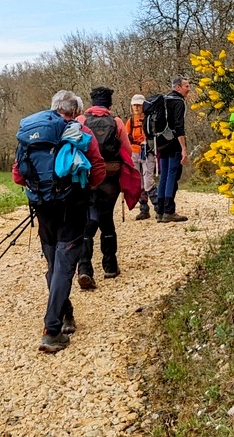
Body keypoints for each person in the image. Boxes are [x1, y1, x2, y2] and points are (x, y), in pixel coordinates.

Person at [12, 90, 106, 354]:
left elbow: (18, 175)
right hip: (72, 207)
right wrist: (86, 188)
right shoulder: (81, 134)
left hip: (42, 208)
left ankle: (66, 315)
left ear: (53, 109)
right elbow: (98, 169)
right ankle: (52, 331)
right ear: (76, 112)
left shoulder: (31, 134)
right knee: (64, 267)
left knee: (54, 265)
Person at [76, 86, 134, 286]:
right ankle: (110, 266)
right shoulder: (116, 122)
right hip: (110, 177)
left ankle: (84, 268)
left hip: (88, 178)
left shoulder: (81, 121)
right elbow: (126, 150)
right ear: (109, 103)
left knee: (88, 220)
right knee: (106, 217)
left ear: (92, 103)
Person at [154, 77, 191, 222]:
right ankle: (169, 211)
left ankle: (160, 210)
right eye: (186, 86)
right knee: (172, 174)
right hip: (174, 142)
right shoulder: (178, 102)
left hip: (161, 142)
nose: (189, 89)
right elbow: (179, 126)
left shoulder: (164, 100)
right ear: (177, 87)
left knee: (164, 175)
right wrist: (184, 148)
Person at [125, 94, 158, 220]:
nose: (136, 107)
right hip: (134, 152)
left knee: (148, 179)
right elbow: (125, 138)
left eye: (139, 105)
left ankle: (158, 207)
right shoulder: (130, 122)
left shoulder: (149, 119)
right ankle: (144, 209)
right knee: (138, 181)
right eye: (134, 105)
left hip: (147, 150)